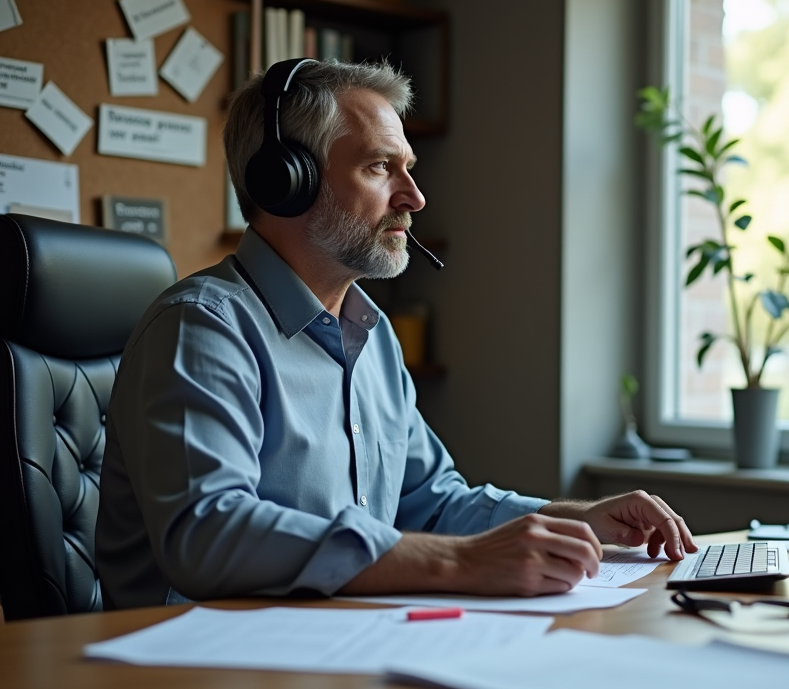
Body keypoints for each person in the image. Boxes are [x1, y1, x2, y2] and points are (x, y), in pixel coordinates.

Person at [96, 59, 697, 610]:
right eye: (381, 167)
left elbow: (429, 501)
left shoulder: (371, 334)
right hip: (193, 680)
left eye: (408, 169)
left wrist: (572, 521)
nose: (414, 197)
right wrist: (461, 563)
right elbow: (208, 533)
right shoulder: (203, 327)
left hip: (330, 659)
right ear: (287, 180)